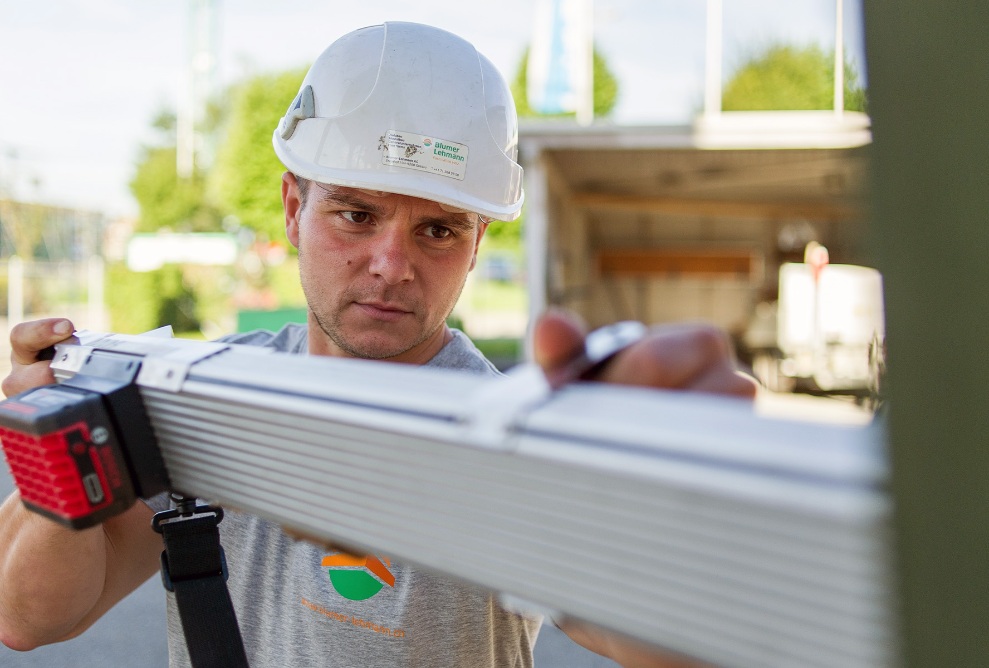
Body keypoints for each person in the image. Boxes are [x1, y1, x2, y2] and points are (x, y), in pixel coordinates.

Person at [0, 22, 754, 668]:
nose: (392, 265)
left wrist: (684, 511)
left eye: (437, 229)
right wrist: (63, 444)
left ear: (475, 241)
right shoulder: (205, 396)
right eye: (356, 216)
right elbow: (30, 620)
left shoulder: (495, 431)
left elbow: (658, 634)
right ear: (294, 209)